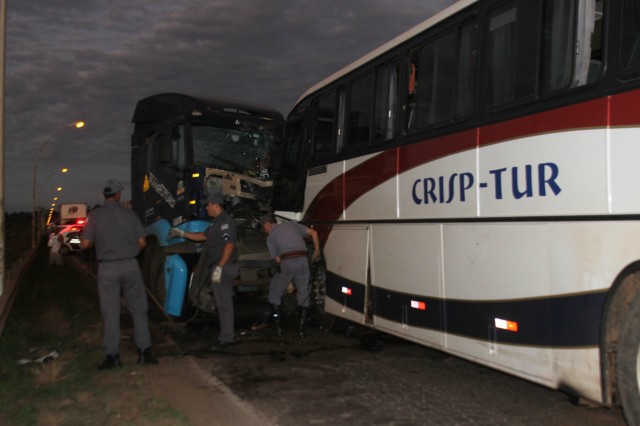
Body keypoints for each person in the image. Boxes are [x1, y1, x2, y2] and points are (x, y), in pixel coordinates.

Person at [80, 178, 158, 369]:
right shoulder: (130, 214)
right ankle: (144, 352)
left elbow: (85, 244)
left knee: (111, 312)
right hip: (130, 265)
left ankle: (113, 357)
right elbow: (142, 243)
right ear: (118, 194)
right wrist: (129, 251)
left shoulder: (95, 216)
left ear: (104, 195)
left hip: (107, 268)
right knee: (139, 309)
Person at [168, 193, 239, 349]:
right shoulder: (215, 223)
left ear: (216, 205)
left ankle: (227, 337)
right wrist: (182, 233)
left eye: (208, 205)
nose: (206, 208)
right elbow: (202, 236)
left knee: (224, 303)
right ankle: (226, 334)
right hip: (219, 266)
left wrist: (220, 267)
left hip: (224, 267)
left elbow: (229, 245)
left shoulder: (226, 223)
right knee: (222, 302)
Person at [261, 215, 320, 338]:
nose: (265, 230)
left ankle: (278, 329)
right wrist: (317, 251)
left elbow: (277, 260)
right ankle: (301, 331)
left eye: (264, 227)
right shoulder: (292, 224)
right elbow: (314, 233)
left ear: (268, 224)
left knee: (274, 293)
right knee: (304, 294)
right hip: (303, 261)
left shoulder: (270, 237)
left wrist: (288, 282)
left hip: (288, 262)